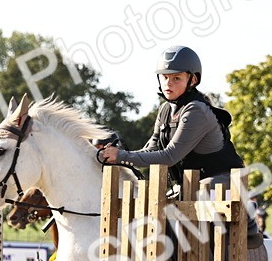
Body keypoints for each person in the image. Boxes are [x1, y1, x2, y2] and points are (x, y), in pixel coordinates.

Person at [95, 45, 263, 248]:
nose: (168, 83)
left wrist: (121, 155)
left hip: (220, 182)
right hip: (189, 185)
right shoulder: (166, 109)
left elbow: (169, 156)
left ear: (192, 80)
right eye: (164, 77)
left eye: (176, 78)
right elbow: (151, 150)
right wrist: (115, 156)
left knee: (198, 196)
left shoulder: (196, 110)